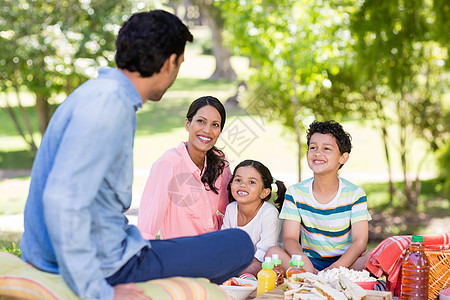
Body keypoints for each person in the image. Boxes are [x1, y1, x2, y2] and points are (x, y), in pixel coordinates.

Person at [19, 10, 253, 300]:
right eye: (179, 64)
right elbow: (63, 200)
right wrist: (99, 293)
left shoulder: (97, 93)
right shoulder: (110, 106)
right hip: (107, 265)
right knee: (239, 245)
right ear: (170, 64)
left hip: (102, 249)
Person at [265, 120, 371, 274]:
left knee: (376, 256)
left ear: (343, 158)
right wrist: (303, 261)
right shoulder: (295, 193)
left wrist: (336, 269)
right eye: (313, 147)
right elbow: (290, 239)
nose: (317, 153)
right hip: (309, 263)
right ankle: (313, 277)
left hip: (346, 263)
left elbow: (360, 242)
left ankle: (324, 279)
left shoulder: (355, 194)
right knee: (272, 253)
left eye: (327, 148)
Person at [137, 96, 231, 239]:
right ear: (187, 124)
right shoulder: (169, 164)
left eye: (215, 125)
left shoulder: (220, 163)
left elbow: (231, 210)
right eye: (201, 121)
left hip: (215, 251)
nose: (207, 130)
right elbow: (147, 227)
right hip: (181, 255)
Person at [222, 160, 286, 277]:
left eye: (251, 182)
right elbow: (225, 243)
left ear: (264, 192)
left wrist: (236, 270)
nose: (243, 185)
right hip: (240, 262)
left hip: (266, 263)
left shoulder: (269, 213)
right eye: (238, 180)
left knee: (256, 267)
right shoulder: (231, 209)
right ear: (231, 185)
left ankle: (236, 277)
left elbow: (264, 253)